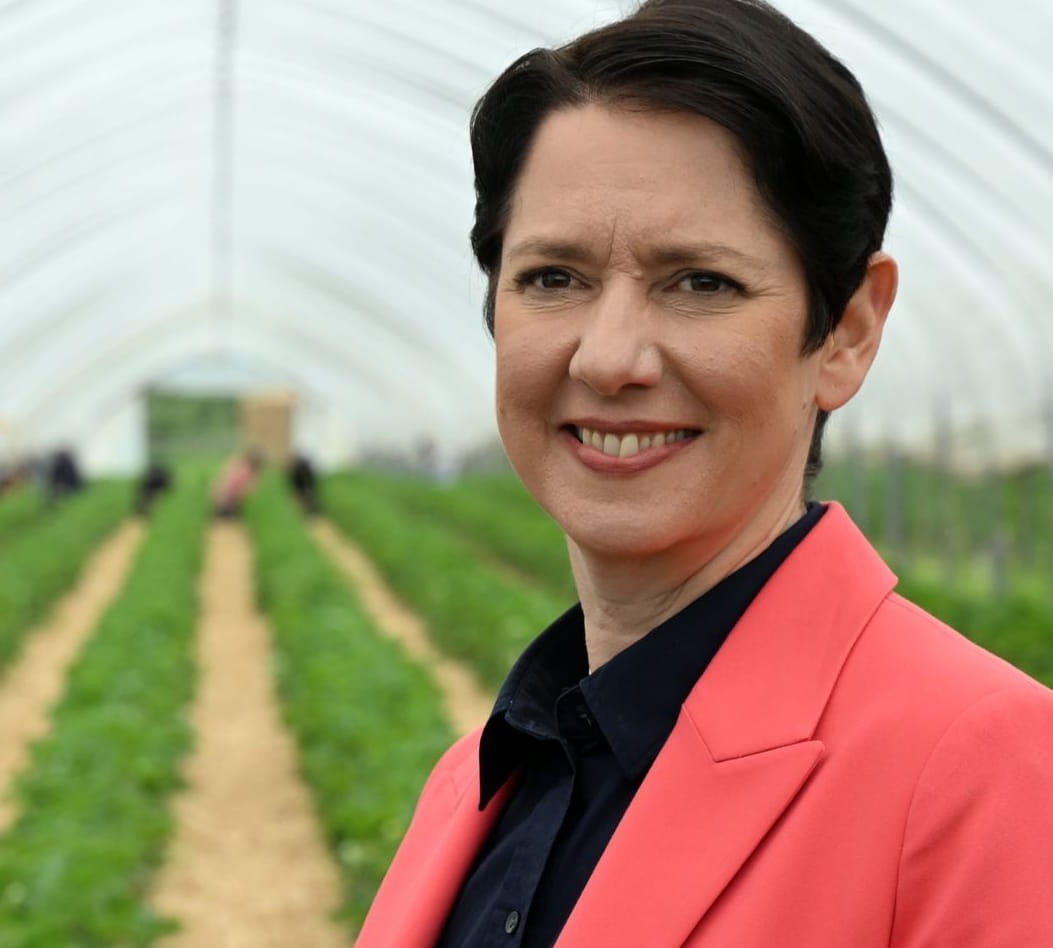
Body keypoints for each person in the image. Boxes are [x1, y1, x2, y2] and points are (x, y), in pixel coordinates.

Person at [357, 2, 1053, 946]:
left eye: (700, 282)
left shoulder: (989, 775)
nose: (608, 360)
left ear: (846, 332)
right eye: (552, 277)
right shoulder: (485, 780)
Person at [212, 450, 262, 518]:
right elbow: (240, 491)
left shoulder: (240, 467)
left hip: (222, 501)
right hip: (225, 504)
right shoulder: (245, 472)